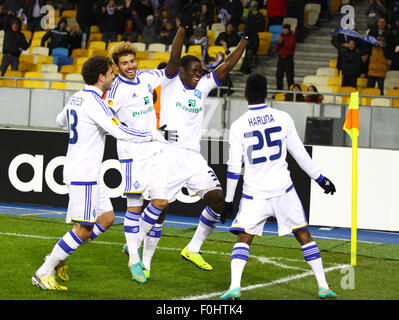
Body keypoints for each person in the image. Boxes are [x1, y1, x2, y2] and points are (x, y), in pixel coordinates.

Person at [31, 55, 165, 291]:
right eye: (112, 74)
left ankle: (60, 257)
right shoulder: (96, 102)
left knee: (106, 219)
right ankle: (43, 272)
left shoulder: (77, 97)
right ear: (101, 76)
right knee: (83, 229)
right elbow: (119, 132)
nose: (114, 77)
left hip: (89, 172)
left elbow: (59, 121)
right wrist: (150, 135)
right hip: (83, 173)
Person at [220, 73, 337, 300]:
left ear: (245, 95)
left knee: (244, 237)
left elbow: (234, 166)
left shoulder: (238, 126)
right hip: (284, 190)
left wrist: (228, 200)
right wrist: (320, 178)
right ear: (266, 94)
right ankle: (323, 286)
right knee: (303, 234)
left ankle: (235, 287)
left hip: (255, 194)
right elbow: (299, 153)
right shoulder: (283, 118)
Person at [151, 27, 248, 273]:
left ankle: (192, 248)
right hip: (168, 153)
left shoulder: (202, 86)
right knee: (160, 209)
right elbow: (174, 56)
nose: (198, 74)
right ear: (181, 71)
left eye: (200, 71)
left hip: (193, 157)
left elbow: (226, 66)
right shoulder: (170, 82)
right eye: (194, 70)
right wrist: (182, 28)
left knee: (218, 200)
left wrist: (244, 40)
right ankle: (140, 248)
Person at [106, 18, 187, 283]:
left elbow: (173, 65)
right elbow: (111, 124)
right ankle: (134, 260)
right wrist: (143, 134)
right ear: (117, 67)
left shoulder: (145, 77)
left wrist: (181, 29)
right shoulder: (115, 90)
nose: (130, 67)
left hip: (155, 149)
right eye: (125, 63)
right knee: (134, 207)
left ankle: (134, 242)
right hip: (132, 154)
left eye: (132, 61)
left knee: (161, 202)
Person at [275, 24, 296, 91]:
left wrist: (282, 42)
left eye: (286, 29)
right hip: (281, 58)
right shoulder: (281, 36)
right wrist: (279, 43)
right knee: (279, 76)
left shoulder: (292, 37)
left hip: (288, 58)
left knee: (290, 76)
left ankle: (291, 92)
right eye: (284, 29)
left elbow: (290, 46)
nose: (284, 30)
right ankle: (279, 91)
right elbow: (276, 48)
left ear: (288, 29)